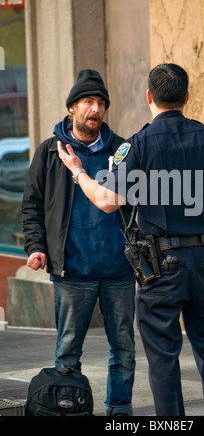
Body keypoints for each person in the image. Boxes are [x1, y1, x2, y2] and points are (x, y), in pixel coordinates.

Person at [57, 63, 204, 416]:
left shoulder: (137, 146)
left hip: (160, 269)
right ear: (186, 97)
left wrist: (78, 171)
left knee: (163, 361)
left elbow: (108, 202)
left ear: (149, 98)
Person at [22, 69, 136, 416]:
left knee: (124, 349)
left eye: (101, 103)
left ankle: (119, 410)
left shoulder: (122, 150)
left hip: (118, 269)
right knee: (68, 351)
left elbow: (133, 202)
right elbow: (32, 205)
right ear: (72, 107)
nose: (95, 109)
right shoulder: (50, 152)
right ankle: (67, 408)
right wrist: (36, 246)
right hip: (72, 271)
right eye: (88, 101)